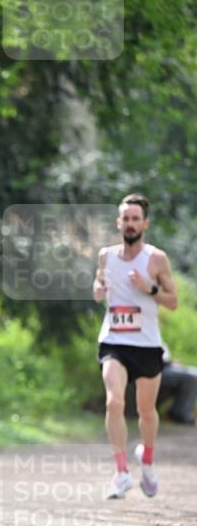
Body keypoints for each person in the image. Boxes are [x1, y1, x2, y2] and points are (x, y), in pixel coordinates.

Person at [93, 193, 178, 499]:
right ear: (119, 222)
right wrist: (98, 289)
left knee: (146, 411)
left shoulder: (156, 259)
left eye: (135, 219)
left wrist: (148, 288)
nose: (130, 224)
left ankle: (148, 460)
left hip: (147, 345)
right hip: (114, 340)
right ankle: (120, 472)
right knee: (114, 402)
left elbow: (173, 301)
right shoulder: (106, 255)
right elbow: (98, 286)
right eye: (125, 219)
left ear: (145, 223)